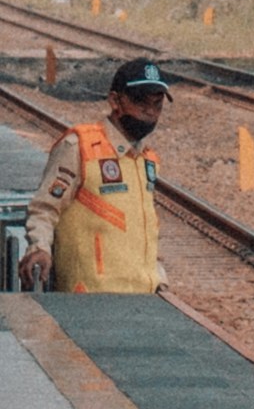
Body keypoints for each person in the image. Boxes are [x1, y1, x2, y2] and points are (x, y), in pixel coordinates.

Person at [21, 58, 173, 293]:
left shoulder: (147, 160)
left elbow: (146, 230)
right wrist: (39, 247)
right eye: (140, 101)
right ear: (115, 100)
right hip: (89, 302)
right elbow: (45, 208)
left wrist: (159, 279)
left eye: (157, 104)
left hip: (141, 301)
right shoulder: (80, 146)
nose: (149, 111)